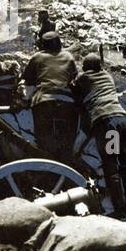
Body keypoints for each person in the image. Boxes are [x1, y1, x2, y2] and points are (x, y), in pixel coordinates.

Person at [73, 53, 126, 217]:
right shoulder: (107, 76)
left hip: (107, 123)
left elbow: (73, 88)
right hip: (122, 119)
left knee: (111, 166)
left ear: (86, 68)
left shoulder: (84, 78)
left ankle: (120, 210)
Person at [22, 31, 79, 164]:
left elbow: (28, 80)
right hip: (67, 102)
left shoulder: (37, 57)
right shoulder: (68, 56)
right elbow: (73, 78)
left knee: (44, 141)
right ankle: (66, 168)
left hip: (43, 101)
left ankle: (46, 169)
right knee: (66, 141)